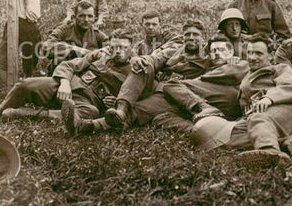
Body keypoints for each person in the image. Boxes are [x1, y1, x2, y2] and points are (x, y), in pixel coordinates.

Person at [67, 34, 249, 135]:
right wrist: (143, 59)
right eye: (214, 50)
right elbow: (160, 57)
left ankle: (205, 125)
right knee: (144, 108)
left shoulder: (238, 64)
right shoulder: (200, 61)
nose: (217, 54)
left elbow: (226, 76)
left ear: (231, 51)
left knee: (169, 87)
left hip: (206, 102)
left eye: (222, 50)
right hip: (178, 100)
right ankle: (91, 124)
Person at [190, 33, 292, 168]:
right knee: (229, 136)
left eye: (258, 53)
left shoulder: (279, 69)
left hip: (284, 111)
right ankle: (286, 142)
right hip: (255, 117)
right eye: (249, 53)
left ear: (270, 56)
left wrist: (269, 99)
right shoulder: (246, 74)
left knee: (258, 118)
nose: (252, 57)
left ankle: (270, 152)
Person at [0, 30, 133, 124]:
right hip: (65, 87)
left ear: (131, 47)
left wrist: (118, 102)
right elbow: (69, 65)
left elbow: (136, 98)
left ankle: (25, 114)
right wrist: (65, 83)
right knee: (25, 84)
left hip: (87, 101)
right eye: (114, 47)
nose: (118, 51)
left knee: (90, 113)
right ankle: (0, 111)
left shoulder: (135, 70)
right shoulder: (100, 55)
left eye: (123, 47)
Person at [103, 19, 210, 132]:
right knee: (142, 66)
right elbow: (156, 58)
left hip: (174, 96)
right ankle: (122, 108)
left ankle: (96, 124)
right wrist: (140, 59)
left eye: (196, 34)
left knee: (139, 109)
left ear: (204, 36)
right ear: (183, 36)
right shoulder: (175, 49)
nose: (191, 37)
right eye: (188, 34)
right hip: (156, 85)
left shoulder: (208, 57)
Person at [0, 0, 42, 79]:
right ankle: (8, 82)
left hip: (30, 30)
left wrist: (26, 1)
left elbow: (32, 18)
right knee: (1, 57)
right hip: (13, 26)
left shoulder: (35, 1)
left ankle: (27, 77)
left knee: (30, 58)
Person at [42, 0, 109, 71]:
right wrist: (73, 49)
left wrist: (94, 55)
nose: (86, 20)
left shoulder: (97, 34)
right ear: (74, 17)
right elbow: (47, 47)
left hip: (86, 75)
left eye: (90, 16)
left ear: (94, 18)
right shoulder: (64, 30)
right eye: (82, 16)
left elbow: (111, 48)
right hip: (63, 72)